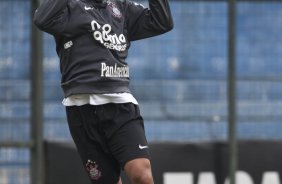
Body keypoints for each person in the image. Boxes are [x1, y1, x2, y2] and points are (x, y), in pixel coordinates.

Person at [33, 0, 173, 182]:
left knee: (141, 174)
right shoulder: (69, 7)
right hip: (80, 110)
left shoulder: (122, 7)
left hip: (120, 106)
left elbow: (162, 22)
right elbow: (41, 19)